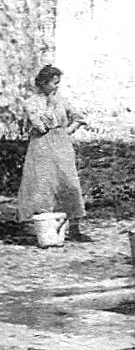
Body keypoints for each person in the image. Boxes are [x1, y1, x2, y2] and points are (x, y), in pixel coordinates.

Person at [16, 65, 92, 242]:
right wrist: (50, 106)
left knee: (69, 183)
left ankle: (74, 228)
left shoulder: (62, 100)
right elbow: (41, 127)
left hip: (61, 146)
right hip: (41, 147)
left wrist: (67, 131)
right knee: (43, 185)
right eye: (53, 83)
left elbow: (79, 118)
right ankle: (45, 229)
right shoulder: (32, 103)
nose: (56, 87)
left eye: (58, 83)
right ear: (43, 83)